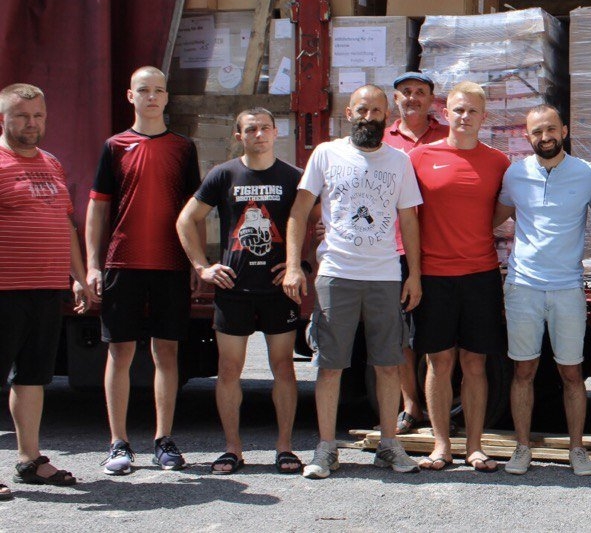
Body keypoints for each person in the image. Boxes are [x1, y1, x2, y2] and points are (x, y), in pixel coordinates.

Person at [282, 85, 423, 479]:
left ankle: (389, 445)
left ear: (386, 116)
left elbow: (409, 220)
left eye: (376, 111)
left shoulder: (399, 161)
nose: (369, 117)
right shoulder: (326, 154)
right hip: (337, 274)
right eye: (362, 110)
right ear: (348, 113)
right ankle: (326, 449)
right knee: (330, 366)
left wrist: (413, 274)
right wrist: (293, 265)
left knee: (389, 365)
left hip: (384, 275)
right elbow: (299, 212)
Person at [176, 108, 308, 475]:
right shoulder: (223, 174)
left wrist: (299, 265)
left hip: (278, 290)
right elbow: (186, 219)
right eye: (251, 129)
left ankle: (285, 448)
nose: (259, 134)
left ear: (276, 132)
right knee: (229, 369)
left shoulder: (293, 177)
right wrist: (201, 266)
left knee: (284, 367)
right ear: (239, 136)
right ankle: (232, 449)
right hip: (233, 288)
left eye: (265, 128)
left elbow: (315, 222)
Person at [86, 66, 200, 475]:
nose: (152, 97)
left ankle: (163, 440)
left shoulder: (183, 148)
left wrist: (196, 260)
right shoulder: (114, 146)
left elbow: (194, 211)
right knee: (120, 352)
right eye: (144, 90)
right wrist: (93, 264)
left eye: (159, 90)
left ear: (167, 97)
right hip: (123, 263)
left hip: (170, 264)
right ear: (130, 96)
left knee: (166, 352)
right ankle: (118, 444)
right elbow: (97, 208)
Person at [409, 81, 511, 472]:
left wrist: (475, 230)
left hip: (481, 274)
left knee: (475, 364)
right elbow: (406, 215)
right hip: (434, 275)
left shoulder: (498, 162)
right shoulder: (420, 157)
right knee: (439, 362)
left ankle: (474, 446)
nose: (464, 116)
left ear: (484, 117)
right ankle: (440, 446)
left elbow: (502, 210)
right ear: (445, 113)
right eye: (458, 109)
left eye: (472, 111)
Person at [493, 105, 591, 477]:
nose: (545, 137)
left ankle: (577, 449)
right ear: (527, 136)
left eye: (551, 129)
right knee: (524, 371)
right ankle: (522, 448)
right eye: (537, 131)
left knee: (572, 373)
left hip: (568, 287)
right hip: (524, 285)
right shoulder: (515, 174)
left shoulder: (587, 174)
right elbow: (493, 218)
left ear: (564, 130)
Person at [0, 84, 90, 498]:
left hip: (46, 288)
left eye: (38, 115)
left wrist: (78, 275)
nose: (31, 123)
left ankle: (30, 460)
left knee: (33, 378)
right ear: (4, 118)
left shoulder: (51, 163)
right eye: (22, 116)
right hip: (5, 288)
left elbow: (65, 223)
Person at [382, 71, 447, 436]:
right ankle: (410, 405)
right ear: (396, 99)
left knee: (437, 332)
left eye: (420, 92)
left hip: (438, 247)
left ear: (431, 100)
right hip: (394, 249)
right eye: (405, 92)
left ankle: (439, 405)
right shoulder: (382, 139)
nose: (412, 98)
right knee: (400, 332)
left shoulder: (447, 136)